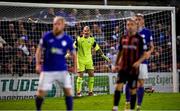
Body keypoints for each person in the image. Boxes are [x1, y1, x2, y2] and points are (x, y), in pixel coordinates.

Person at [35, 16, 77, 111]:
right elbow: (38, 50)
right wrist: (37, 64)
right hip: (47, 70)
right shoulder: (47, 36)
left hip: (62, 70)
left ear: (63, 25)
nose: (56, 26)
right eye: (54, 24)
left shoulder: (67, 39)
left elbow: (74, 54)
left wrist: (75, 67)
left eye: (58, 24)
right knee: (40, 93)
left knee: (68, 92)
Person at [112, 18, 147, 111]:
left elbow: (145, 54)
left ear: (136, 26)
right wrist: (116, 64)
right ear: (126, 26)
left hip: (133, 69)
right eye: (128, 25)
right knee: (118, 86)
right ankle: (115, 108)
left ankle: (131, 109)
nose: (130, 26)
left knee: (133, 90)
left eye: (132, 24)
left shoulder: (139, 39)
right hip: (123, 67)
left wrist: (138, 62)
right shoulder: (123, 37)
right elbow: (120, 52)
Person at [125, 13, 154, 110]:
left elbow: (151, 47)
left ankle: (138, 106)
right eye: (136, 19)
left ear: (143, 21)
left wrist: (149, 52)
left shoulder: (147, 32)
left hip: (143, 62)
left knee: (141, 83)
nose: (137, 21)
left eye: (139, 19)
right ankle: (127, 103)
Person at [74, 26, 110, 97]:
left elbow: (98, 48)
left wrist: (104, 56)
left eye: (87, 31)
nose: (86, 32)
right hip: (80, 60)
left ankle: (90, 92)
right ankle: (78, 93)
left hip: (89, 60)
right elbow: (73, 48)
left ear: (89, 32)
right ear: (83, 32)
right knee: (80, 75)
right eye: (85, 31)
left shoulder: (92, 39)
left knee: (91, 74)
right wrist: (67, 55)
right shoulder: (79, 39)